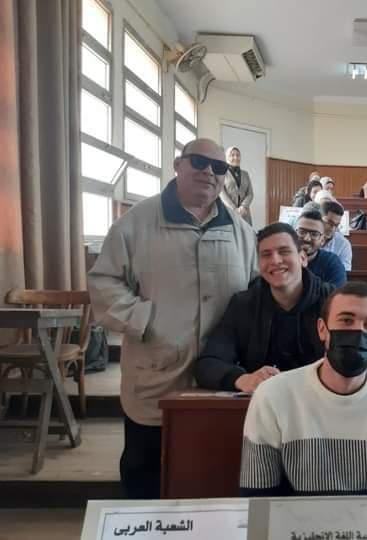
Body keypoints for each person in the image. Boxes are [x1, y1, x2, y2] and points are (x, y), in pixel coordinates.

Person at [88, 138, 258, 499]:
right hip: (157, 367)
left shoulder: (240, 230)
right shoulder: (136, 222)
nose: (209, 172)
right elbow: (104, 281)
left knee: (208, 465)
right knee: (145, 466)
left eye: (219, 167)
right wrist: (146, 320)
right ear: (178, 165)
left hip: (221, 374)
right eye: (199, 162)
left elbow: (255, 289)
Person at [238, 281, 367, 496]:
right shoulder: (272, 395)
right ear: (322, 329)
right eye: (346, 320)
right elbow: (257, 499)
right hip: (299, 518)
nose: (358, 332)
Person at [195, 223, 334, 392]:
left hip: (321, 398)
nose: (275, 260)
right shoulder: (243, 304)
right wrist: (243, 379)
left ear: (303, 258)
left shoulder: (332, 301)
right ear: (259, 265)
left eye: (284, 251)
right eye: (266, 255)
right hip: (264, 401)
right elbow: (208, 363)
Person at [296, 210, 347, 287]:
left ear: (322, 240)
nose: (307, 238)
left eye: (314, 234)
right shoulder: (284, 258)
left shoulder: (332, 262)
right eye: (301, 232)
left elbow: (338, 292)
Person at [220, 146, 254, 225]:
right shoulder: (222, 173)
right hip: (228, 212)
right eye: (232, 155)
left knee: (245, 232)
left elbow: (250, 193)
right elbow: (221, 193)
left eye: (238, 155)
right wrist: (234, 209)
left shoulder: (245, 174)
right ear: (227, 157)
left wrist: (243, 206)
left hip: (244, 213)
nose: (235, 157)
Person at [320, 201, 352, 271]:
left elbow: (344, 272)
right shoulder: (308, 238)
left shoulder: (344, 244)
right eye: (329, 223)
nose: (333, 229)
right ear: (319, 219)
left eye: (336, 225)